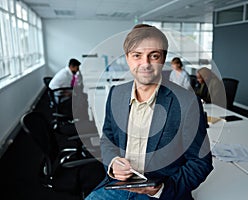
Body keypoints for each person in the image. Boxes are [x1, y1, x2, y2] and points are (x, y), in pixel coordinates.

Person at [85, 24, 213, 200]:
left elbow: (201, 163)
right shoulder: (116, 94)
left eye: (153, 56)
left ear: (163, 59)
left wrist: (160, 189)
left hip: (160, 193)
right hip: (118, 186)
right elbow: (108, 139)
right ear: (128, 58)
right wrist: (113, 163)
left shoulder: (187, 102)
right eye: (137, 55)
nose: (145, 64)